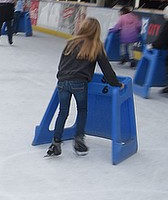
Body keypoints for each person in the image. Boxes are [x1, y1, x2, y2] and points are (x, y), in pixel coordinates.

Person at [45, 17, 123, 158]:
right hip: (79, 83)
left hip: (63, 81)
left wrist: (61, 77)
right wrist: (116, 83)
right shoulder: (96, 46)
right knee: (82, 110)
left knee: (63, 112)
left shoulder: (71, 42)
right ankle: (79, 140)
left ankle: (55, 143)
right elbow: (107, 69)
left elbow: (61, 63)